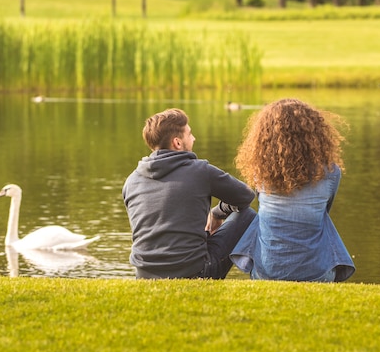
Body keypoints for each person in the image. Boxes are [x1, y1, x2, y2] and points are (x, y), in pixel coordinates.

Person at [230, 99, 355, 282]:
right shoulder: (331, 173)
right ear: (315, 134)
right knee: (320, 218)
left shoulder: (261, 173)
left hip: (265, 275)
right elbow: (325, 208)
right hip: (319, 275)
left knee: (262, 216)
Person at [122, 108, 256, 279]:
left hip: (144, 273)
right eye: (190, 134)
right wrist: (216, 213)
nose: (194, 138)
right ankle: (263, 273)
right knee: (246, 215)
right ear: (177, 143)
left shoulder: (131, 181)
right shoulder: (200, 171)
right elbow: (246, 197)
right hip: (196, 272)